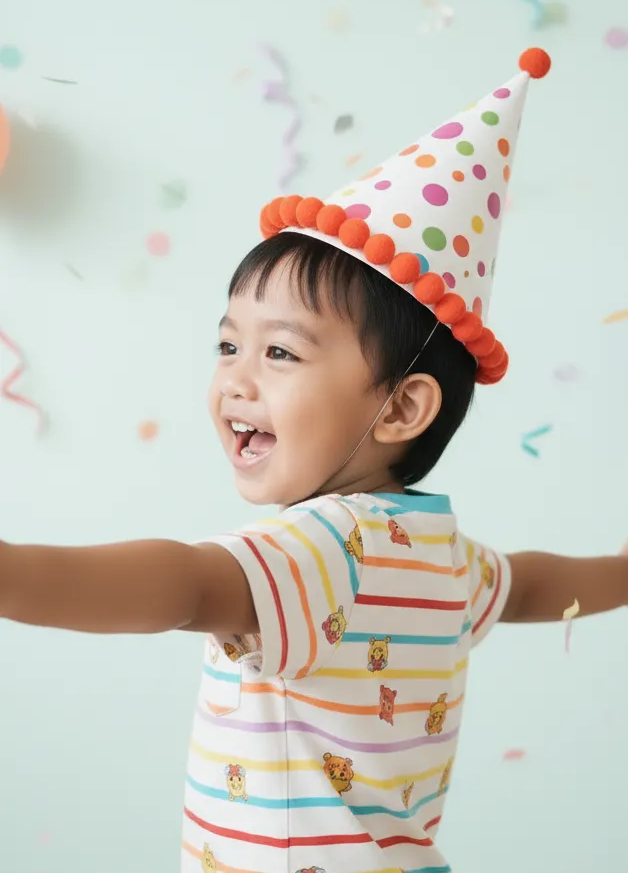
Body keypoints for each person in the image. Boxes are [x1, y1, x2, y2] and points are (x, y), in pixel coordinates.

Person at [1, 48, 626, 873]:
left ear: (400, 407)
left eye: (281, 353)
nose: (237, 378)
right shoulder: (440, 553)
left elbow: (183, 583)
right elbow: (536, 586)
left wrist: (10, 572)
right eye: (229, 344)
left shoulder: (323, 548)